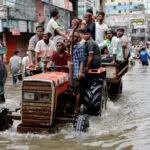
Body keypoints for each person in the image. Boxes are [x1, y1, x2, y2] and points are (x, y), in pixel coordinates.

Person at [69, 31, 85, 113]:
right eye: (71, 36)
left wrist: (80, 72)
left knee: (76, 90)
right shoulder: (69, 46)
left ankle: (76, 107)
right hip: (68, 71)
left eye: (75, 36)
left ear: (78, 38)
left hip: (76, 71)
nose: (72, 38)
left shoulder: (79, 46)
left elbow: (82, 60)